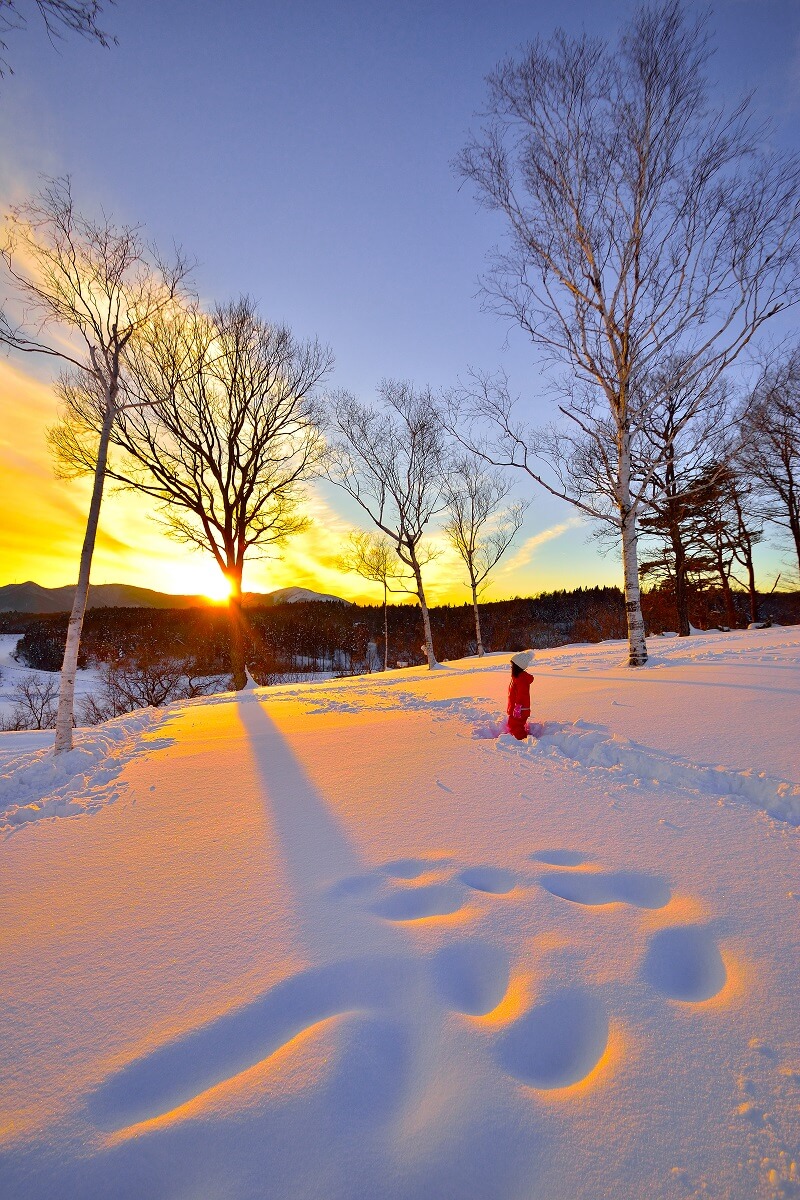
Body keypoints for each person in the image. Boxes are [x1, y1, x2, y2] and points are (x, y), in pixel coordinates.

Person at [507, 649, 535, 740]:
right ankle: (517, 738)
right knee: (513, 724)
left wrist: (518, 707)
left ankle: (522, 741)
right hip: (517, 708)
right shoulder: (517, 677)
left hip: (520, 709)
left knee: (516, 726)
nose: (511, 667)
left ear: (517, 667)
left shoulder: (521, 679)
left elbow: (523, 694)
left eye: (512, 666)